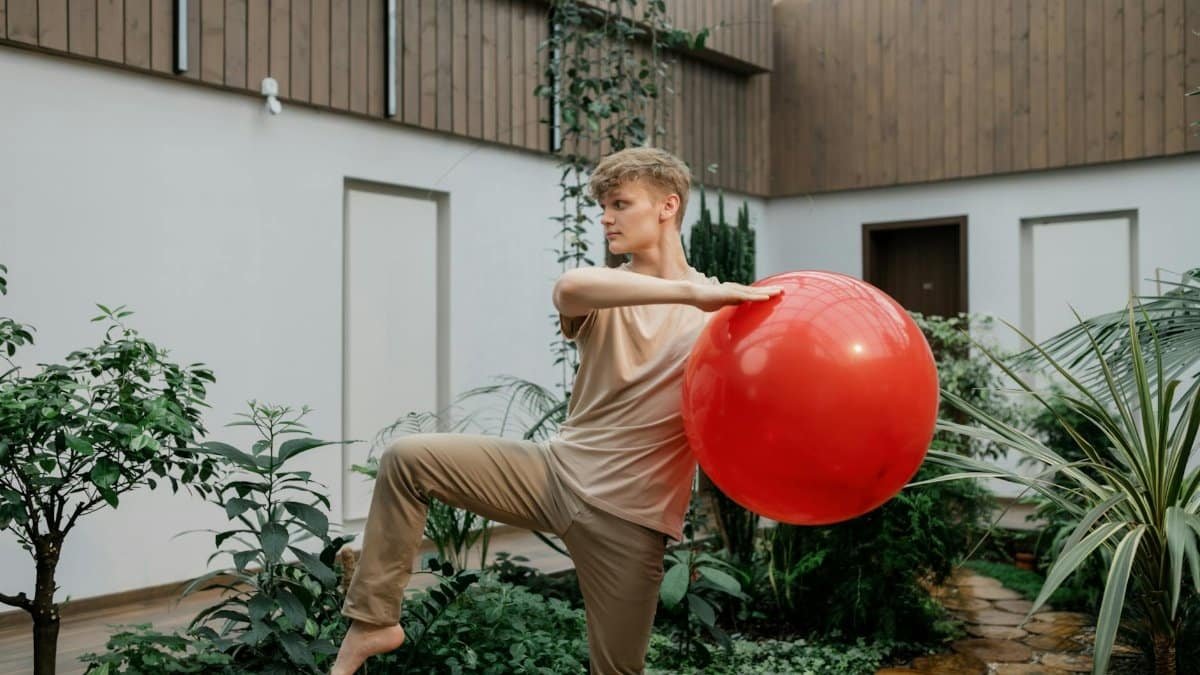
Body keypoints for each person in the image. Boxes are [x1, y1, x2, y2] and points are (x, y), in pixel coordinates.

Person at [330, 147, 782, 675]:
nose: (606, 217)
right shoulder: (615, 290)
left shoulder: (720, 312)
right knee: (408, 459)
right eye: (602, 207)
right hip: (554, 475)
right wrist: (691, 294)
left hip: (632, 519)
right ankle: (374, 621)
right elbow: (569, 289)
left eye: (620, 203)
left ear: (667, 206)